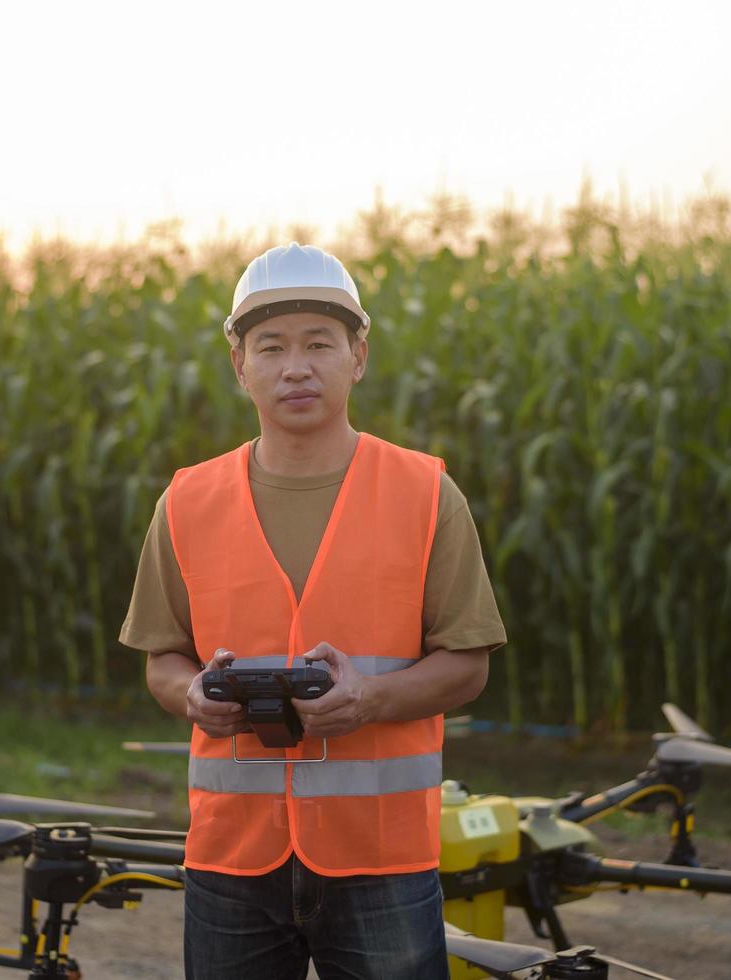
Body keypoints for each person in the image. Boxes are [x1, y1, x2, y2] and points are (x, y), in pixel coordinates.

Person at [120, 242, 506, 980]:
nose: (295, 366)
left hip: (382, 859)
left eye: (319, 344)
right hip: (231, 857)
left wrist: (373, 698)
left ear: (358, 356)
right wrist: (191, 695)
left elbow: (468, 664)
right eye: (271, 346)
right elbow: (163, 658)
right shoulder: (187, 503)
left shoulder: (426, 495)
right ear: (241, 367)